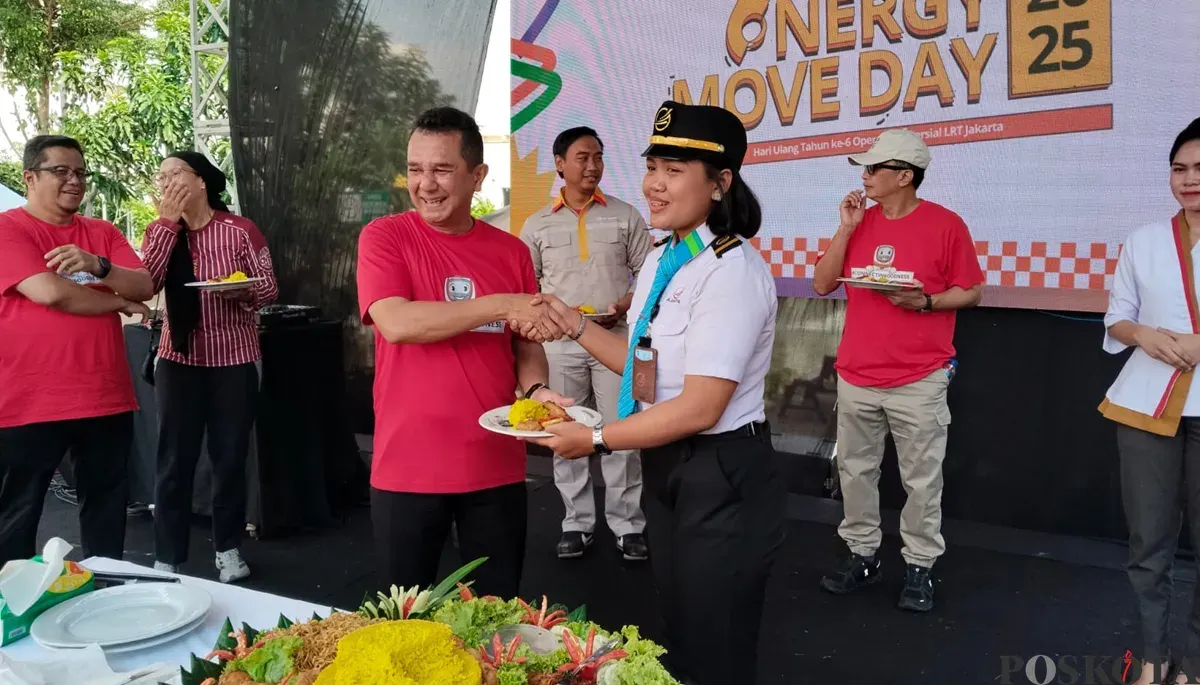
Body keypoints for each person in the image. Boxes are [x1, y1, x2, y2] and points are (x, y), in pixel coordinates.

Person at [516, 101, 786, 685]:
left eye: (673, 170)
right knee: (682, 627)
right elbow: (647, 373)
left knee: (718, 645)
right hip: (671, 466)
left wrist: (592, 438)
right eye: (652, 167)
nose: (654, 185)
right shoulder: (669, 257)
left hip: (722, 473)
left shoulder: (729, 269)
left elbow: (701, 406)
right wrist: (573, 323)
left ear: (720, 183)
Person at [356, 106, 572, 598]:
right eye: (415, 169)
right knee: (403, 627)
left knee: (495, 621)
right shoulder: (385, 237)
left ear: (477, 176)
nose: (425, 185)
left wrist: (537, 389)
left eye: (442, 169)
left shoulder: (510, 252)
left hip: (493, 465)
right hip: (407, 467)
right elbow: (397, 322)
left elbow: (525, 340)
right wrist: (499, 302)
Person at [811, 129, 984, 612]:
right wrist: (845, 228)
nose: (864, 177)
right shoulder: (859, 222)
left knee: (922, 479)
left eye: (873, 169)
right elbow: (823, 283)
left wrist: (924, 302)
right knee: (856, 472)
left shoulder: (946, 224)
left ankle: (920, 566)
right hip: (857, 373)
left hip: (918, 377)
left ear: (904, 176)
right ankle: (862, 555)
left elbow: (970, 291)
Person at [0, 135, 154, 565]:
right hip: (29, 401)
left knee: (107, 514)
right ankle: (10, 619)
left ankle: (103, 604)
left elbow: (144, 284)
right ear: (30, 177)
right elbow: (50, 293)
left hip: (104, 396)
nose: (74, 181)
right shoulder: (9, 229)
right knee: (15, 519)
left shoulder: (101, 233)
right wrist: (118, 301)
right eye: (61, 171)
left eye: (80, 173)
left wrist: (97, 264)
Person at [139, 151, 278, 583]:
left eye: (176, 174)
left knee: (229, 456)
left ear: (202, 181)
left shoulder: (240, 230)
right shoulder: (158, 231)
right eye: (161, 177)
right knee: (173, 459)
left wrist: (243, 294)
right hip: (178, 359)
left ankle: (229, 548)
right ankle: (167, 555)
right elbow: (148, 281)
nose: (167, 182)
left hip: (233, 359)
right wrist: (165, 225)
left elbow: (269, 287)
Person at [521, 126, 655, 561]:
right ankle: (575, 524)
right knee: (565, 431)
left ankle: (628, 525)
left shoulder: (625, 215)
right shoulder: (537, 223)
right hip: (558, 347)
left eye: (598, 156)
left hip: (614, 340)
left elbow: (651, 276)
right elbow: (528, 287)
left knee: (620, 434)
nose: (593, 165)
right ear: (560, 164)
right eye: (583, 157)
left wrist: (624, 305)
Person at [1099, 117, 1200, 685]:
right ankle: (1155, 658)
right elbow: (1118, 314)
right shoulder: (1142, 240)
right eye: (1180, 170)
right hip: (1145, 406)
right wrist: (1144, 335)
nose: (1189, 181)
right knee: (1149, 542)